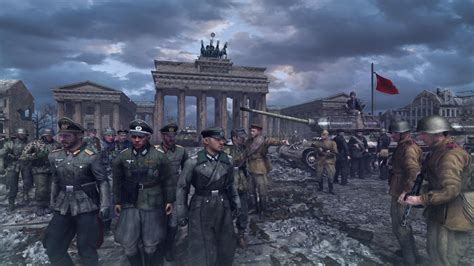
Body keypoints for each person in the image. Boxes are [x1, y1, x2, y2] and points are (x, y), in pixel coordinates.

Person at [401, 115, 473, 265]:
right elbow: (435, 180)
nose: (421, 137)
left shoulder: (449, 155)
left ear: (437, 134)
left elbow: (451, 190)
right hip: (441, 212)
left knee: (445, 256)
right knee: (435, 253)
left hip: (453, 215)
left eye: (424, 134)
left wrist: (420, 199)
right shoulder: (438, 151)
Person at [43, 117, 110, 266]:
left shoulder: (91, 157)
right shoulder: (55, 156)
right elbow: (55, 180)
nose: (62, 139)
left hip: (87, 205)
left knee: (87, 249)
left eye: (67, 136)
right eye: (61, 135)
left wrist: (105, 205)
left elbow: (103, 181)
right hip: (62, 205)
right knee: (52, 246)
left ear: (79, 135)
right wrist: (53, 201)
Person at [113, 119, 174, 266]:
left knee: (151, 243)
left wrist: (169, 200)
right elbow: (117, 181)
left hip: (153, 201)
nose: (137, 140)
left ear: (148, 137)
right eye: (134, 136)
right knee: (128, 243)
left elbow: (168, 180)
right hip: (130, 201)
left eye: (140, 137)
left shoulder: (159, 156)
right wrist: (117, 201)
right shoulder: (123, 156)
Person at [176, 127, 241, 266]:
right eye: (217, 139)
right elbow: (182, 188)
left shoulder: (227, 161)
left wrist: (236, 203)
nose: (222, 142)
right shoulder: (193, 162)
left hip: (223, 205)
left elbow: (230, 185)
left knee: (226, 243)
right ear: (206, 141)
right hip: (200, 206)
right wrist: (181, 213)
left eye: (222, 139)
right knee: (200, 245)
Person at [387, 121, 422, 265]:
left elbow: (413, 172)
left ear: (403, 133)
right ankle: (411, 254)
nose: (392, 135)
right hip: (398, 190)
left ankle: (410, 260)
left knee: (401, 228)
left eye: (395, 133)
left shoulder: (409, 148)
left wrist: (407, 192)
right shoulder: (403, 146)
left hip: (403, 193)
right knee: (401, 227)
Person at [155, 123, 189, 262]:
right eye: (168, 135)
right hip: (157, 193)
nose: (171, 138)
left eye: (173, 135)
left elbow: (187, 170)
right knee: (158, 223)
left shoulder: (181, 151)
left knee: (173, 224)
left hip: (175, 194)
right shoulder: (154, 151)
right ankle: (159, 249)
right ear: (162, 136)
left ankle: (169, 248)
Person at [244, 124, 288, 218]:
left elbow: (273, 141)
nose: (251, 133)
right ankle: (254, 208)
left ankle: (263, 210)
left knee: (262, 191)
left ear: (259, 132)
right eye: (251, 131)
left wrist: (282, 141)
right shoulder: (248, 142)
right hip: (250, 167)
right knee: (251, 190)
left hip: (260, 167)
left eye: (254, 131)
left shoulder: (263, 140)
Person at [20, 128, 61, 216]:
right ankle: (40, 206)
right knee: (41, 190)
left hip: (52, 170)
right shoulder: (34, 144)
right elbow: (23, 156)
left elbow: (63, 153)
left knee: (51, 189)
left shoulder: (57, 144)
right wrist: (37, 155)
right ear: (43, 135)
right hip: (39, 169)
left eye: (51, 135)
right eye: (47, 135)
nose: (49, 137)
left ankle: (49, 205)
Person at [228, 127, 250, 248]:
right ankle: (228, 236)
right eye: (241, 138)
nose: (243, 140)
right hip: (230, 185)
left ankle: (240, 235)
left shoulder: (244, 149)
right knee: (229, 212)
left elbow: (246, 167)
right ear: (234, 138)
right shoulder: (226, 149)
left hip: (242, 184)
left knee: (243, 212)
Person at [0, 128, 30, 210]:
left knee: (27, 183)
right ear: (18, 134)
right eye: (22, 134)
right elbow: (2, 152)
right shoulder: (10, 143)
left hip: (25, 164)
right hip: (12, 165)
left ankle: (26, 198)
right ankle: (11, 203)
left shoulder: (29, 144)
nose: (23, 136)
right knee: (11, 185)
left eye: (24, 134)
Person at [99, 128, 121, 233]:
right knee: (103, 200)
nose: (111, 137)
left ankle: (108, 225)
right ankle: (101, 225)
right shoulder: (99, 146)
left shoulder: (117, 146)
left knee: (112, 200)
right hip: (101, 177)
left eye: (112, 135)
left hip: (113, 176)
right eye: (109, 135)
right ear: (104, 136)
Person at [312, 130, 338, 194]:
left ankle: (331, 189)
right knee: (319, 175)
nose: (322, 136)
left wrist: (325, 153)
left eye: (324, 134)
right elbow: (314, 151)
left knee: (331, 175)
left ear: (327, 135)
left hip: (329, 161)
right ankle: (320, 187)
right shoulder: (318, 143)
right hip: (320, 161)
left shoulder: (332, 143)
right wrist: (318, 150)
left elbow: (335, 152)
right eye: (322, 134)